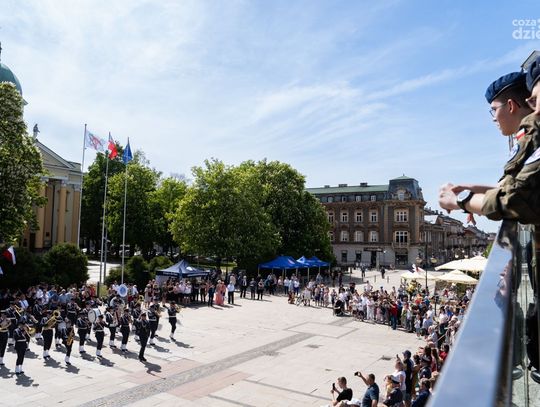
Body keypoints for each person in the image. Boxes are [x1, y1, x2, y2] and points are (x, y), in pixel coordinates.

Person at [439, 68, 540, 223]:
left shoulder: (533, 137)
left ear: (511, 106)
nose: (493, 118)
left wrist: (462, 200)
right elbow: (514, 187)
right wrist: (471, 191)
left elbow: (517, 200)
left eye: (494, 110)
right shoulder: (526, 137)